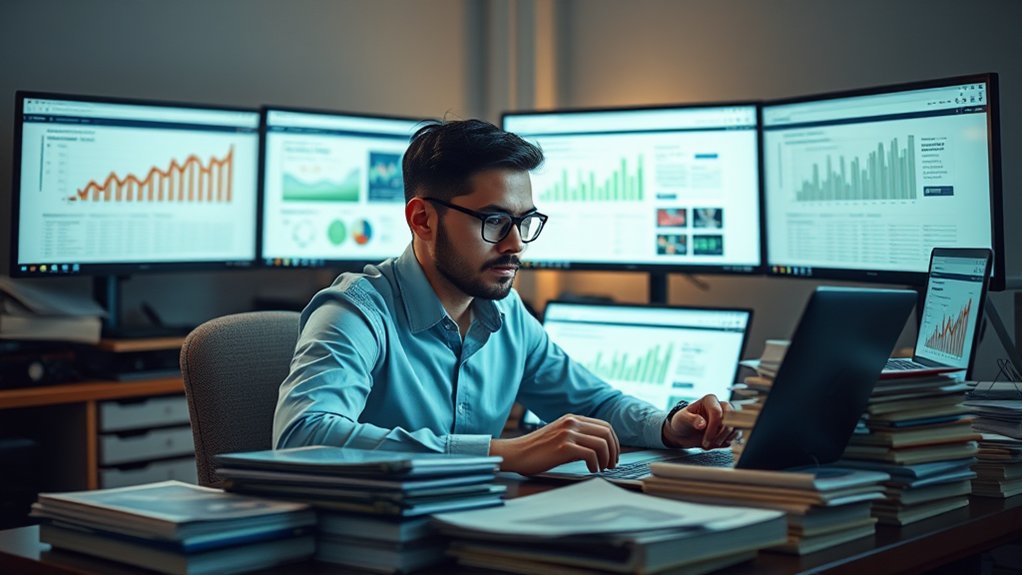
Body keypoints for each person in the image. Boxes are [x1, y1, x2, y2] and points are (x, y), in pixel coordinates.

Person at [272, 119, 737, 475]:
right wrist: (505, 453)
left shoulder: (506, 314)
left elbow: (593, 405)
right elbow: (303, 437)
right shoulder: (355, 312)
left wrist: (670, 426)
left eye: (524, 221)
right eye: (494, 221)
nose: (515, 244)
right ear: (422, 220)